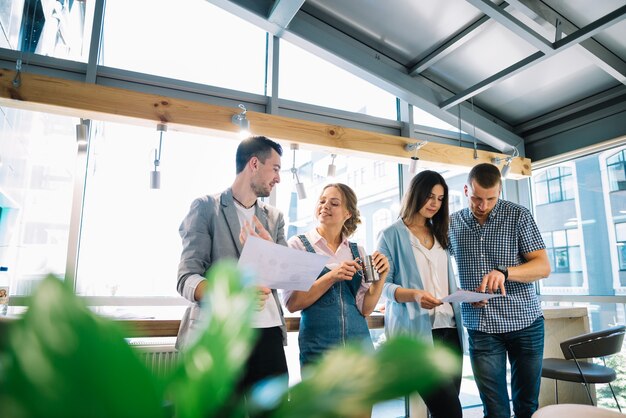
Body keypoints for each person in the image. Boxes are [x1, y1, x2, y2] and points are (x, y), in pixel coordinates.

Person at [176, 135, 289, 392]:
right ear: (254, 164)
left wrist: (269, 248)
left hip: (268, 333)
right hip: (222, 335)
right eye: (276, 168)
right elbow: (186, 278)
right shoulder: (206, 208)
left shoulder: (274, 217)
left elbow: (283, 272)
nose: (278, 178)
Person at [448, 163, 551, 418]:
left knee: (526, 406)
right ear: (465, 190)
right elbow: (436, 267)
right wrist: (462, 293)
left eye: (491, 199)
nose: (482, 206)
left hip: (525, 323)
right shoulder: (451, 223)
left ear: (500, 192)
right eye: (476, 198)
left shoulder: (519, 216)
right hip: (481, 328)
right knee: (495, 410)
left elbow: (543, 266)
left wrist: (504, 273)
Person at [377, 170, 463, 418]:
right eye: (430, 196)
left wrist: (465, 297)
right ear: (416, 195)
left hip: (450, 332)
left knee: (444, 410)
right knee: (450, 412)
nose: (435, 203)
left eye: (440, 198)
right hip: (416, 337)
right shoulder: (391, 235)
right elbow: (384, 286)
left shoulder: (440, 233)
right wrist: (414, 295)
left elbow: (446, 282)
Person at [283, 183, 389, 368]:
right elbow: (293, 303)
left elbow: (365, 309)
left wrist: (380, 280)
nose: (325, 206)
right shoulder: (298, 245)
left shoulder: (358, 251)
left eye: (334, 203)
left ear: (348, 213)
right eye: (322, 201)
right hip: (319, 350)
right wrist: (332, 276)